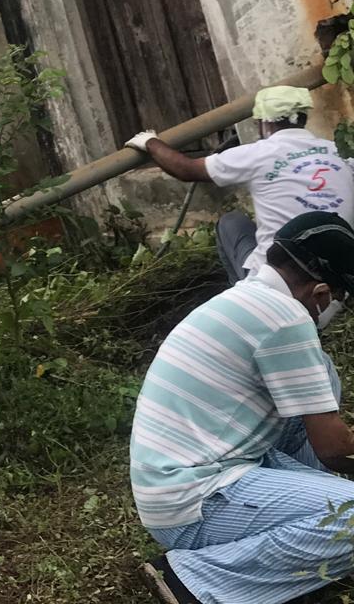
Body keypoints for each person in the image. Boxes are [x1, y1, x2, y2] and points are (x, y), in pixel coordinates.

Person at [131, 211, 354, 604]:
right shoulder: (286, 318)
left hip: (179, 480)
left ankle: (311, 527)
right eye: (337, 298)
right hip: (192, 498)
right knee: (350, 516)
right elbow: (334, 449)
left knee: (323, 373)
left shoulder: (248, 298)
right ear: (320, 292)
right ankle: (194, 580)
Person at [125, 85, 354, 284]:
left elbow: (185, 169)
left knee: (231, 222)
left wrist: (149, 141)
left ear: (263, 122)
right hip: (336, 287)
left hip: (276, 291)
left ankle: (245, 293)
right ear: (303, 118)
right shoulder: (338, 152)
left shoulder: (258, 153)